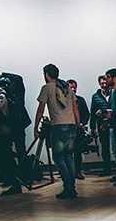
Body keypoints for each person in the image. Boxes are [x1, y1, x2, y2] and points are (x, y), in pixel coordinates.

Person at [34, 63, 81, 199]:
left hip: (58, 126)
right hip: (71, 125)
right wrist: (77, 123)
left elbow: (41, 109)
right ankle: (72, 187)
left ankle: (69, 187)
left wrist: (36, 127)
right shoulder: (66, 87)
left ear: (46, 75)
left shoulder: (47, 88)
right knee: (69, 157)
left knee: (59, 157)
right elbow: (75, 107)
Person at [89, 75, 113, 176]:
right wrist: (92, 127)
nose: (104, 85)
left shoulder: (114, 94)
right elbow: (92, 112)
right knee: (105, 147)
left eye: (105, 83)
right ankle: (107, 168)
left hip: (113, 123)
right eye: (102, 83)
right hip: (102, 125)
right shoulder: (95, 96)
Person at [68, 79, 90, 180]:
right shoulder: (64, 101)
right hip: (67, 129)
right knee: (67, 152)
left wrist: (82, 123)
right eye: (71, 87)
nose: (73, 89)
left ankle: (77, 171)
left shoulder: (80, 100)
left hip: (77, 129)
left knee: (77, 152)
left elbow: (86, 114)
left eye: (74, 87)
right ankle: (69, 172)